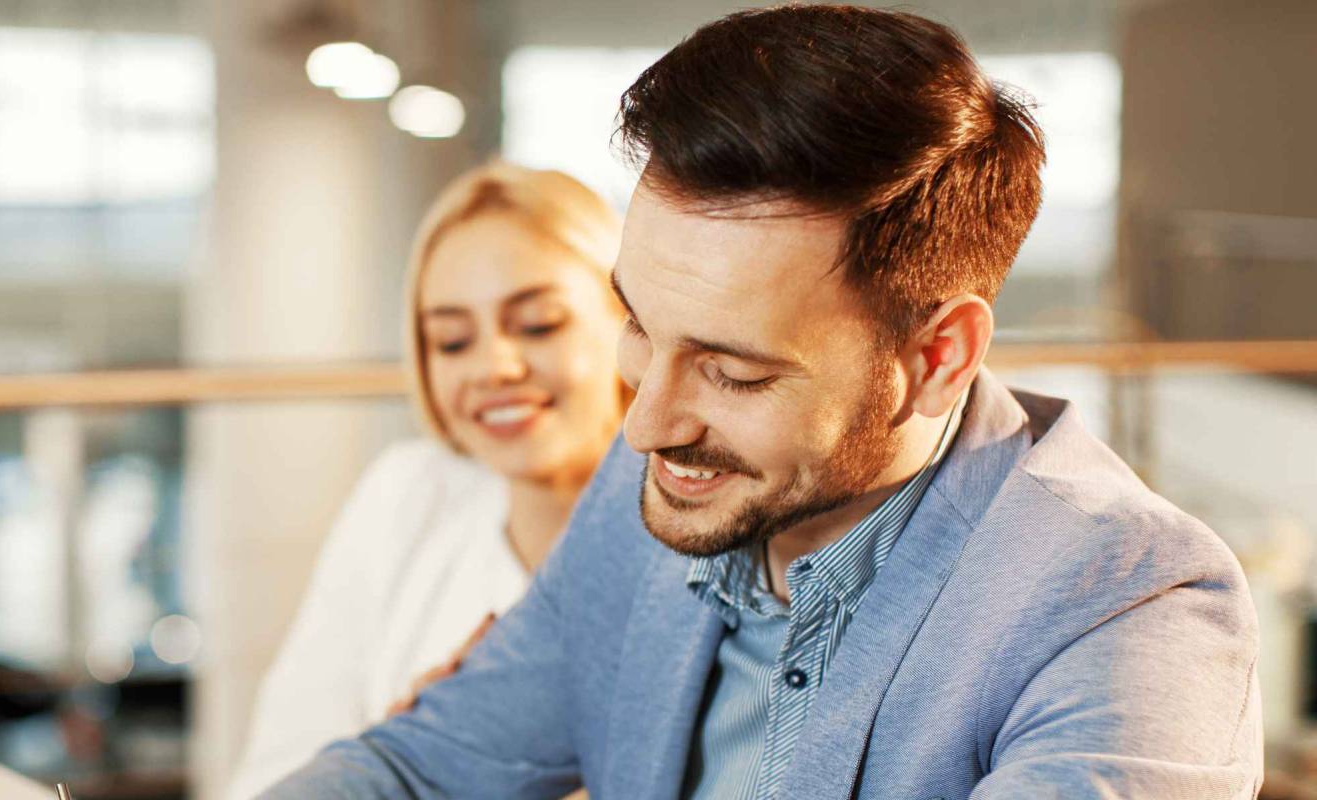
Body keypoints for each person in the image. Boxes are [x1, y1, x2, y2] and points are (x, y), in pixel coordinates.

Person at [263, 6, 1262, 799]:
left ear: (936, 356)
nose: (646, 423)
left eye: (734, 372)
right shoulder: (657, 486)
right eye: (639, 325)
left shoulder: (1131, 609)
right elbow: (421, 768)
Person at [227, 163, 629, 798]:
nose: (494, 368)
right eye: (452, 341)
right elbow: (277, 768)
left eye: (538, 325)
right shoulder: (408, 494)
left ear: (630, 321)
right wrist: (407, 753)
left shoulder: (700, 533)